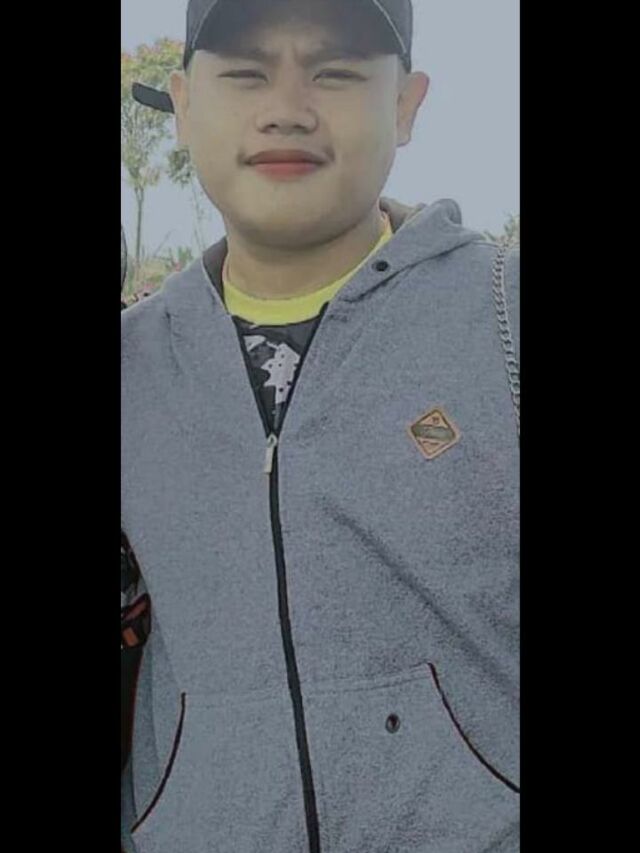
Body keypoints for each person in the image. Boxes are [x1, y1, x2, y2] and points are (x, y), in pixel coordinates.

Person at [121, 1, 520, 851]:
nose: (287, 108)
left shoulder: (504, 317)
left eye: (335, 72)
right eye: (245, 73)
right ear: (184, 105)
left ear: (406, 104)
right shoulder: (132, 369)